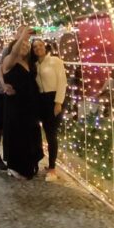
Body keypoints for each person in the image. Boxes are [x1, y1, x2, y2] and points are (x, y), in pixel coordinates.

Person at [1, 27, 44, 179]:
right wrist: (23, 37)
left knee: (31, 134)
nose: (25, 47)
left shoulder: (30, 63)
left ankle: (30, 163)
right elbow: (8, 60)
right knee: (17, 134)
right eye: (22, 45)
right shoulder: (10, 61)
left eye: (27, 46)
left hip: (30, 105)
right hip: (16, 105)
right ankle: (16, 166)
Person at [31, 39, 67, 182]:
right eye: (35, 47)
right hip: (40, 101)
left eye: (40, 45)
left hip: (53, 100)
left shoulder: (55, 61)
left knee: (51, 134)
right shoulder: (35, 64)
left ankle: (52, 168)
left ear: (45, 47)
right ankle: (43, 161)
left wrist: (58, 102)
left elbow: (62, 82)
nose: (38, 48)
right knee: (42, 132)